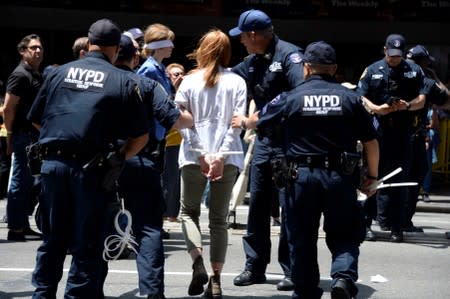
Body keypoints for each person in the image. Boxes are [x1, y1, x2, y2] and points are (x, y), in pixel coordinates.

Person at [27, 19, 149, 298]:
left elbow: (34, 119)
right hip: (92, 170)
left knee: (52, 240)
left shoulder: (58, 73)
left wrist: (60, 139)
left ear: (89, 44)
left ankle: (42, 294)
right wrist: (119, 157)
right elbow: (140, 136)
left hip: (53, 166)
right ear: (117, 49)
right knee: (87, 243)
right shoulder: (123, 80)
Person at [257, 41, 379, 299]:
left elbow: (262, 122)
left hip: (300, 177)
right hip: (340, 177)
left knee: (301, 236)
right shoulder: (351, 98)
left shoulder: (290, 97)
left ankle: (305, 290)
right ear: (334, 69)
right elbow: (371, 142)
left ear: (306, 69)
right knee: (345, 232)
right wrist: (372, 177)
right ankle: (343, 279)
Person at [228, 9, 304, 291]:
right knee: (258, 204)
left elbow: (296, 93)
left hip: (288, 143)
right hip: (264, 143)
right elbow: (228, 79)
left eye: (243, 38)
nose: (241, 43)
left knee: (289, 207)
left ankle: (292, 269)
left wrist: (256, 118)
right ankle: (255, 266)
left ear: (254, 35)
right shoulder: (252, 61)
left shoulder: (290, 56)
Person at [113, 34, 193, 299]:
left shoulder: (98, 81)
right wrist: (192, 117)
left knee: (94, 226)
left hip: (101, 164)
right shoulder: (147, 83)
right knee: (148, 228)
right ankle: (151, 292)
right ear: (135, 57)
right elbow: (174, 119)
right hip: (140, 159)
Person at [175, 29, 246, 299]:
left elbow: (182, 121)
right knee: (219, 220)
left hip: (194, 156)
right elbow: (236, 125)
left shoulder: (189, 82)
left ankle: (197, 262)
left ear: (202, 51)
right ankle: (215, 280)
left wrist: (202, 153)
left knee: (188, 212)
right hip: (227, 157)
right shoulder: (237, 82)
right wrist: (220, 155)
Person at [357, 34, 426, 242]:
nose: (394, 59)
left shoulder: (414, 71)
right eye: (391, 54)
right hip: (377, 132)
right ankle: (366, 224)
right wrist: (377, 109)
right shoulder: (372, 69)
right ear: (384, 50)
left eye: (398, 55)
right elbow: (360, 96)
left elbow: (422, 99)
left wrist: (407, 105)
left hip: (403, 133)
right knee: (372, 178)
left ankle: (397, 227)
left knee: (400, 182)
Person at [3, 33, 44, 241]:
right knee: (19, 182)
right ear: (22, 51)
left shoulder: (34, 74)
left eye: (39, 48)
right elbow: (8, 108)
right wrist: (10, 135)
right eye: (33, 48)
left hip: (33, 136)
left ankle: (23, 224)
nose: (37, 51)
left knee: (29, 182)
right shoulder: (20, 75)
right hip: (23, 136)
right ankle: (16, 228)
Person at [163, 63, 185, 222]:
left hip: (183, 142)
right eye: (175, 74)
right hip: (168, 143)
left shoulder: (187, 92)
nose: (180, 77)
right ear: (168, 77)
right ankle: (163, 214)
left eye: (182, 74)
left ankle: (172, 214)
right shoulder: (166, 92)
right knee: (168, 181)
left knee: (177, 183)